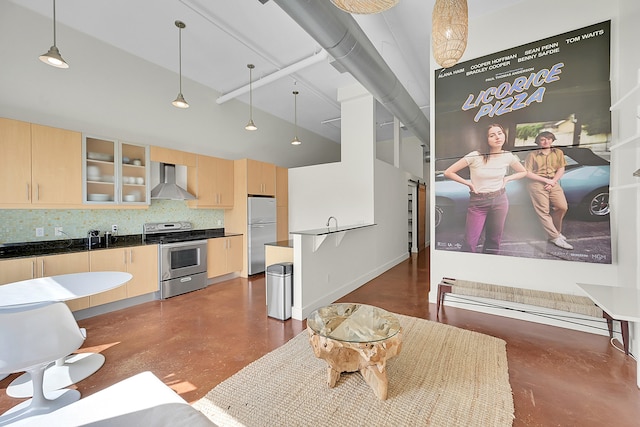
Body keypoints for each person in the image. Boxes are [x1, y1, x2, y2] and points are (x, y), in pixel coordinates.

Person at [444, 123, 527, 254]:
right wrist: (469, 184)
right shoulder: (475, 155)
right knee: (470, 242)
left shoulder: (508, 156)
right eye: (492, 135)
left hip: (500, 199)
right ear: (486, 139)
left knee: (494, 240)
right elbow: (448, 172)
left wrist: (507, 178)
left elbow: (523, 172)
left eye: (500, 133)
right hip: (478, 202)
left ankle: (489, 267)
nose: (497, 137)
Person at [524, 131, 573, 250]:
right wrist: (546, 181)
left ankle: (555, 232)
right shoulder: (532, 155)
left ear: (552, 140)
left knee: (562, 207)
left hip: (553, 182)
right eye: (543, 139)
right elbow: (527, 173)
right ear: (538, 142)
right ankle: (555, 237)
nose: (546, 142)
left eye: (549, 139)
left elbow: (561, 168)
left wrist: (552, 181)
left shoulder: (558, 152)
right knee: (543, 211)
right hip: (537, 183)